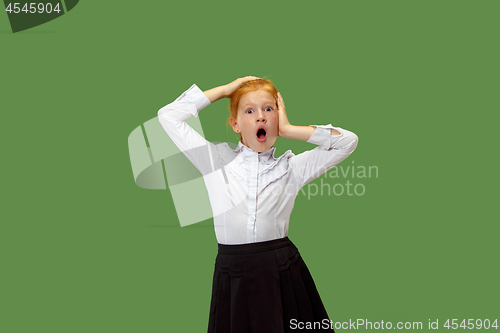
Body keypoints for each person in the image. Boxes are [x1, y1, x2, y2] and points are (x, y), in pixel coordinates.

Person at [157, 76, 359, 332]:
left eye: (268, 109)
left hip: (281, 269)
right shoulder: (214, 160)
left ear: (277, 119)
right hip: (232, 271)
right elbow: (168, 116)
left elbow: (348, 141)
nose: (260, 117)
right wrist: (225, 91)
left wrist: (289, 130)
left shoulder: (292, 167)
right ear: (235, 124)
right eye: (249, 111)